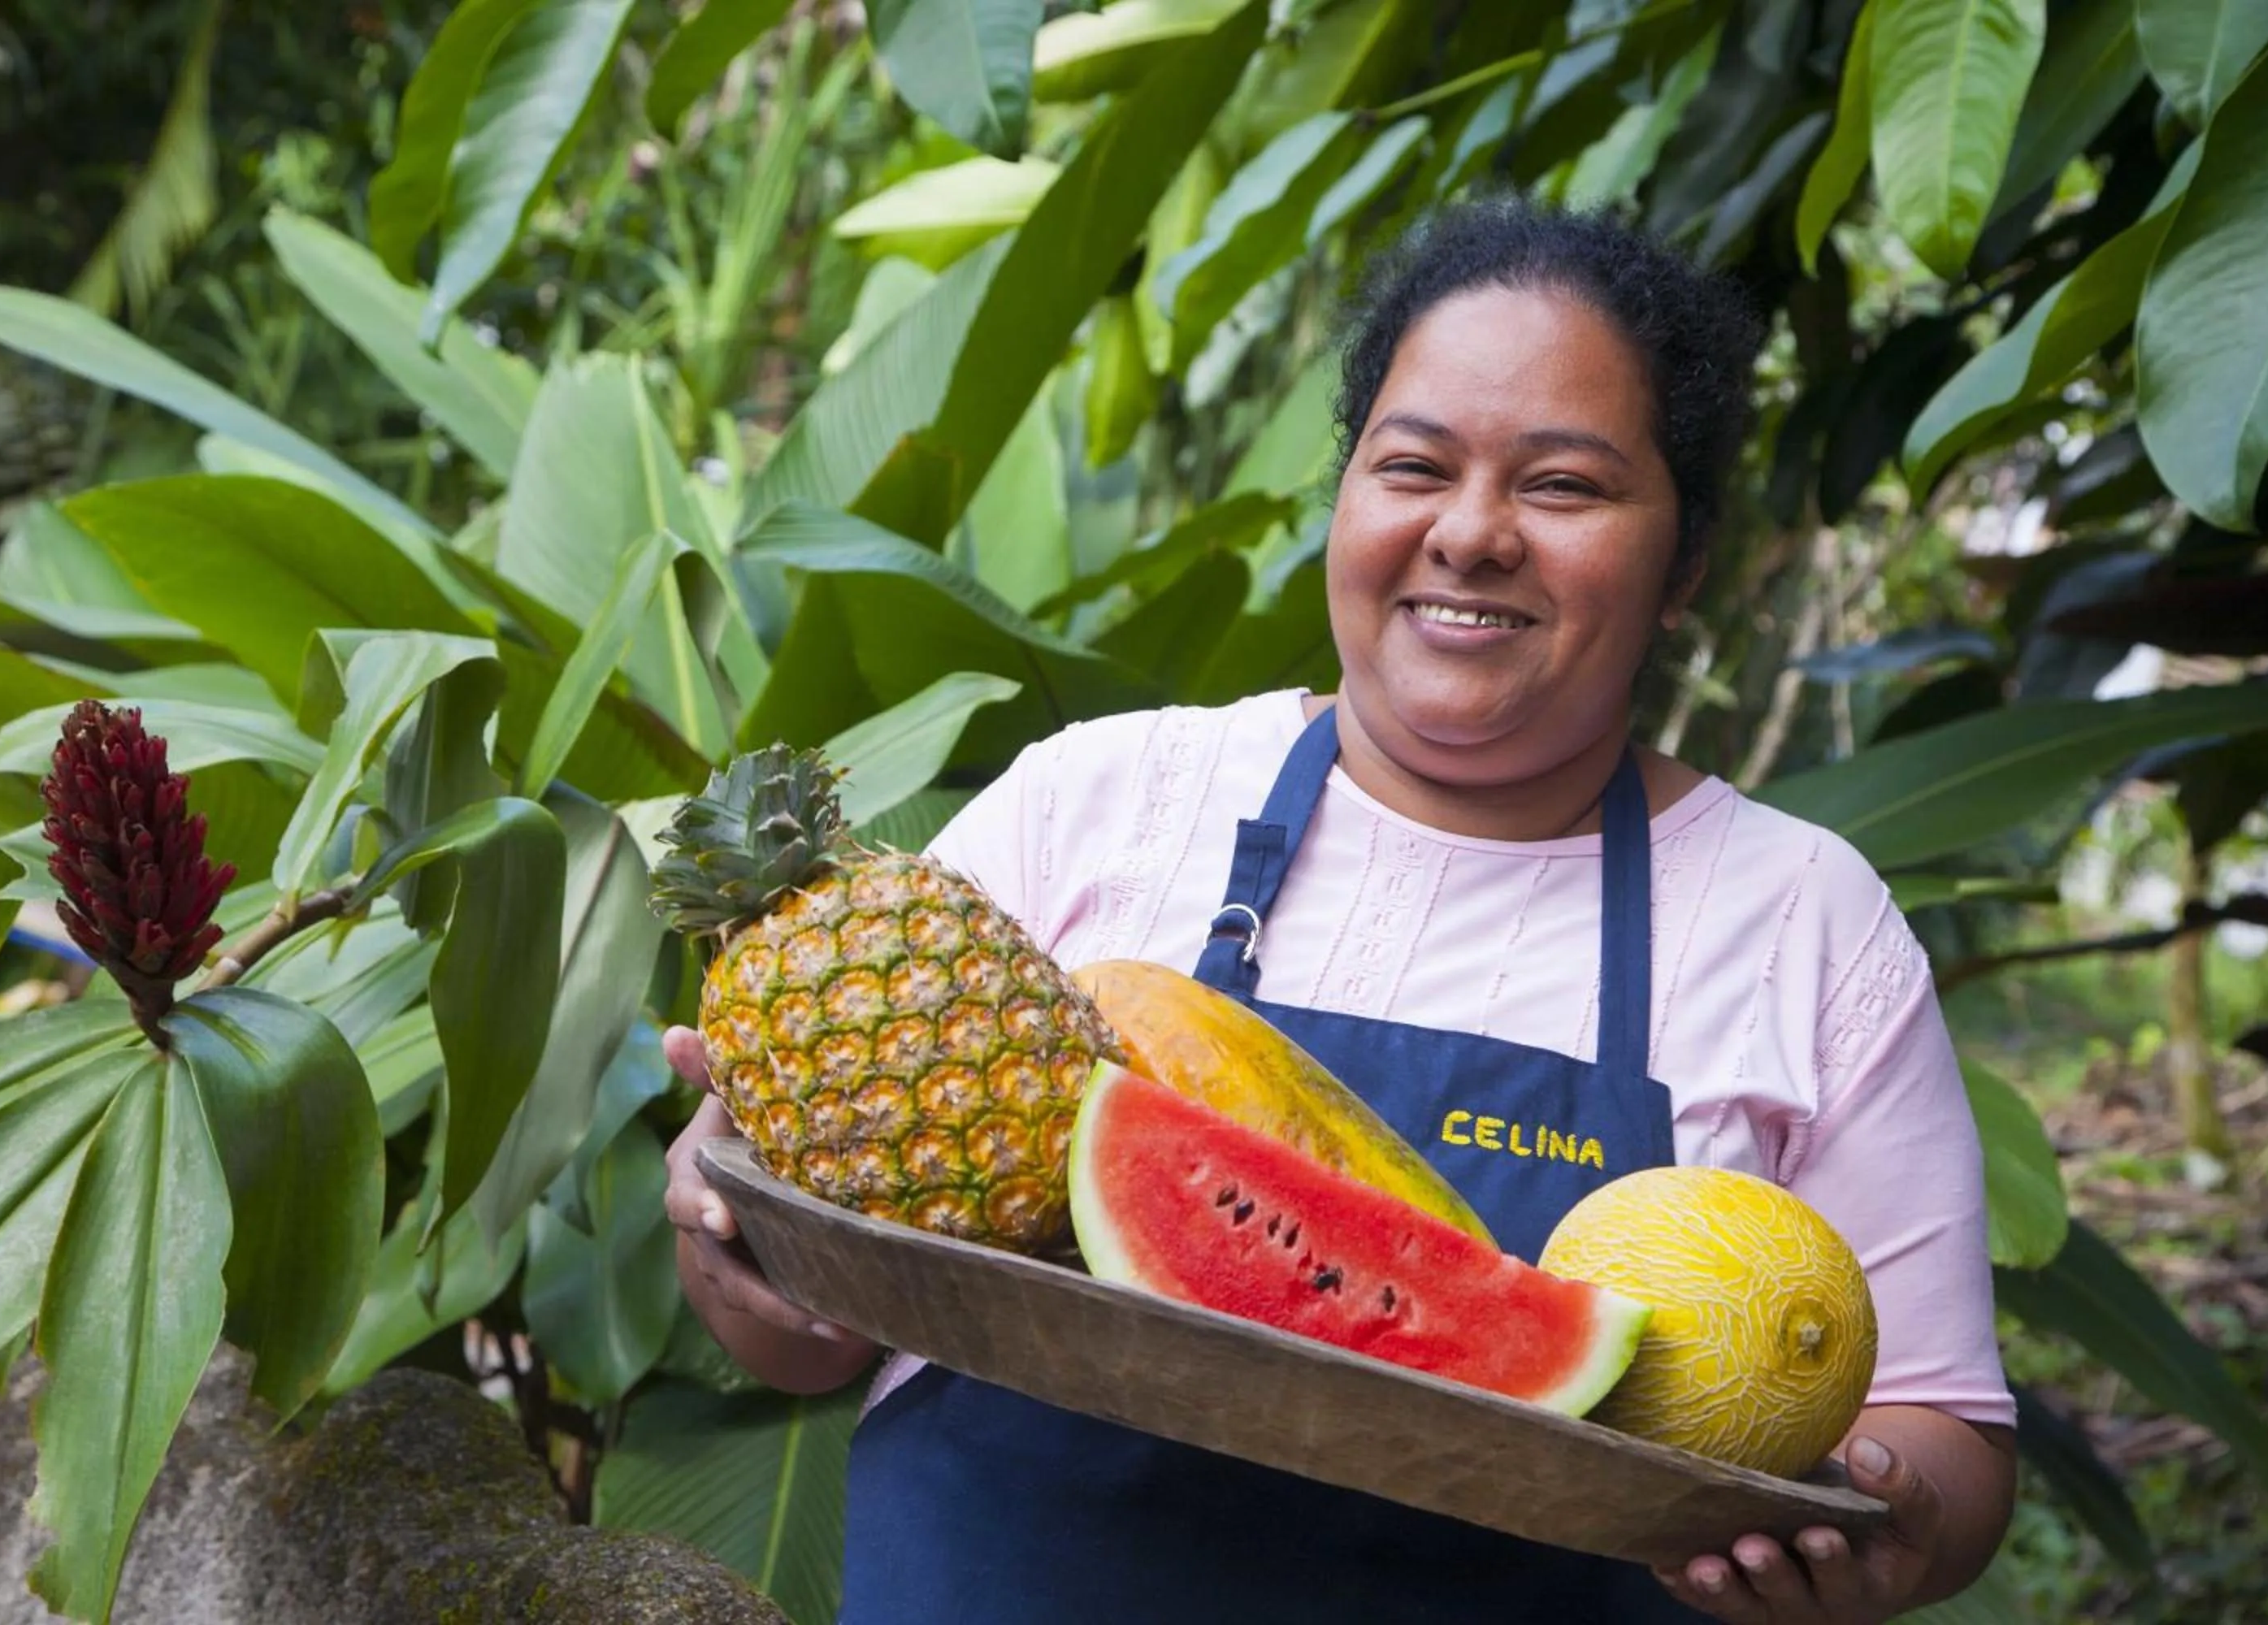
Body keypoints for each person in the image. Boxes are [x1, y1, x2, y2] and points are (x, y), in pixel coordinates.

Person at [663, 196, 2018, 1623]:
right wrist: (749, 1247)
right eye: (1413, 465)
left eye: (1562, 487)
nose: (1472, 533)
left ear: (1682, 562)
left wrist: (1886, 1529)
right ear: (1348, 500)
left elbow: (1948, 1439)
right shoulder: (1105, 798)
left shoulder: (1803, 919)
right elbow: (808, 1344)